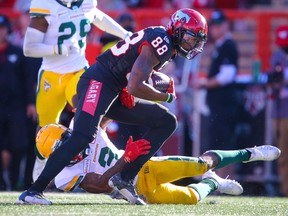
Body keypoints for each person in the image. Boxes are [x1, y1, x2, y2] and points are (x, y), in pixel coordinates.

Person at [17, 8, 208, 205]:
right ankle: (33, 191)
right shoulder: (162, 42)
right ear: (177, 30)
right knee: (82, 136)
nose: (193, 43)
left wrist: (132, 88)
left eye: (197, 40)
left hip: (113, 89)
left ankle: (124, 178)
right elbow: (135, 85)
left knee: (166, 121)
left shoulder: (164, 42)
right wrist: (164, 96)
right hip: (97, 83)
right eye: (191, 37)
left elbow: (131, 75)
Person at [25, 120, 280, 205]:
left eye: (69, 140)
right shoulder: (62, 177)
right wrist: (124, 159)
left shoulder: (84, 129)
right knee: (191, 198)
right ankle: (214, 185)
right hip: (135, 189)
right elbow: (103, 184)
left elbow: (104, 111)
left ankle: (250, 153)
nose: (72, 146)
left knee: (202, 165)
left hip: (144, 166)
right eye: (64, 149)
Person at [23, 0, 134, 183]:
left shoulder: (86, 3)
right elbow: (29, 48)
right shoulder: (46, 4)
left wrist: (126, 35)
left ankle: (93, 165)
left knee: (88, 112)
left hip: (78, 71)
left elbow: (98, 17)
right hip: (51, 75)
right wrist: (57, 48)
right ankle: (40, 174)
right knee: (45, 128)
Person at [194, 10, 239, 178]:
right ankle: (220, 180)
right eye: (213, 26)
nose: (215, 29)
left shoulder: (228, 46)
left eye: (219, 25)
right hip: (219, 105)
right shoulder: (220, 46)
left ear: (226, 26)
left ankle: (224, 180)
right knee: (219, 142)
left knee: (224, 144)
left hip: (224, 105)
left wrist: (204, 83)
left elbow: (227, 76)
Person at [0, 14, 34, 190]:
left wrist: (31, 103)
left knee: (19, 145)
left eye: (2, 29)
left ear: (7, 30)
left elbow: (28, 80)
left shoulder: (17, 53)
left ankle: (14, 182)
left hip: (16, 106)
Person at [268, 25, 288, 197]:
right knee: (282, 151)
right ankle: (285, 189)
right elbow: (272, 82)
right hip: (280, 110)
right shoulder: (277, 57)